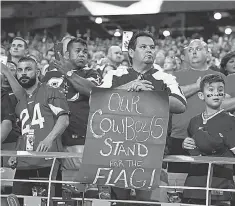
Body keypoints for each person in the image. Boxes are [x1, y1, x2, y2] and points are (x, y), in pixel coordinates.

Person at [100, 30, 187, 204]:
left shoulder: (165, 78)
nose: (149, 50)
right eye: (143, 47)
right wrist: (126, 87)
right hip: (119, 154)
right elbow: (96, 102)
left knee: (151, 203)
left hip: (153, 155)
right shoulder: (115, 76)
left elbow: (180, 105)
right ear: (131, 52)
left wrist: (152, 94)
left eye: (152, 47)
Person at [1, 57, 70, 201]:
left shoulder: (51, 91)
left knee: (49, 202)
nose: (23, 73)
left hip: (47, 160)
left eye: (28, 69)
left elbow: (64, 119)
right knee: (17, 200)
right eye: (20, 70)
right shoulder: (20, 103)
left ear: (38, 72)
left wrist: (48, 139)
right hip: (24, 162)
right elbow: (23, 132)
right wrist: (16, 154)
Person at [42, 37, 101, 193]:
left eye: (85, 52)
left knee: (82, 191)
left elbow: (92, 91)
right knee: (57, 191)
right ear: (67, 54)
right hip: (52, 141)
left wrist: (68, 72)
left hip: (80, 140)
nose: (82, 54)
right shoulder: (50, 76)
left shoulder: (91, 73)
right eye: (78, 51)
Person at [168, 39, 235, 174]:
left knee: (208, 181)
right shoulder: (175, 76)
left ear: (208, 53)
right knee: (176, 183)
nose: (194, 52)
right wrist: (197, 86)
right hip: (179, 137)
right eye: (190, 49)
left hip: (212, 139)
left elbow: (223, 104)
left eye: (198, 49)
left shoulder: (219, 76)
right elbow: (170, 98)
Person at [182, 74, 235, 205]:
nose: (216, 93)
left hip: (220, 184)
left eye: (220, 90)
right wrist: (186, 144)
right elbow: (193, 150)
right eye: (211, 90)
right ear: (201, 95)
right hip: (195, 183)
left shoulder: (230, 121)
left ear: (224, 95)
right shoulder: (194, 121)